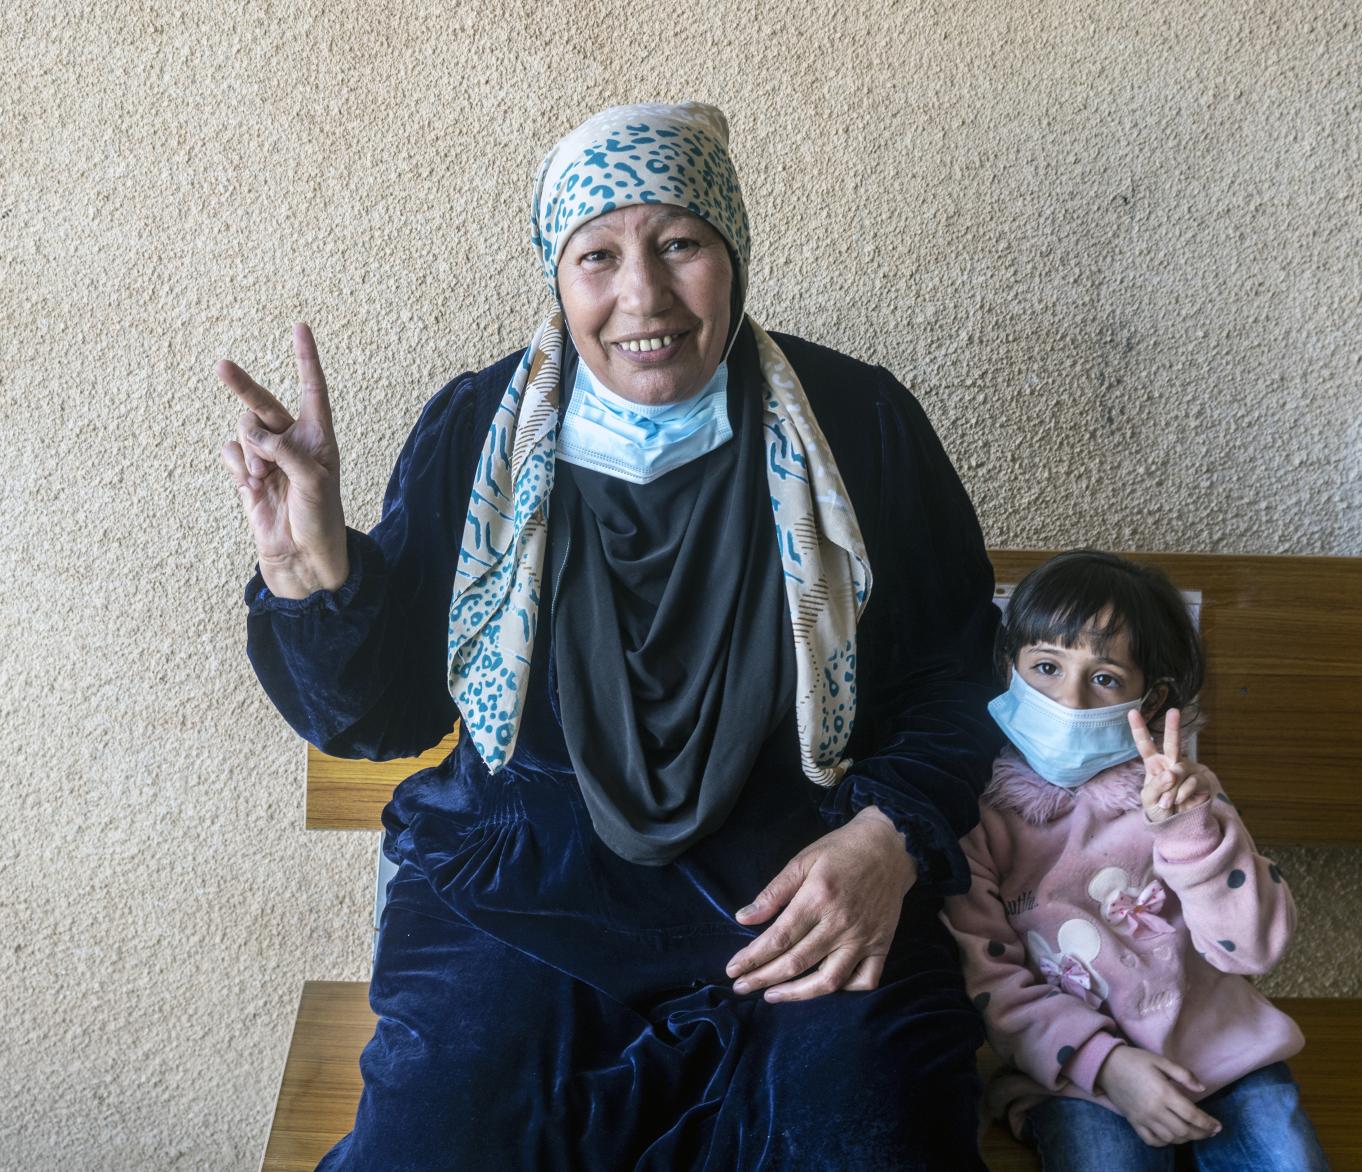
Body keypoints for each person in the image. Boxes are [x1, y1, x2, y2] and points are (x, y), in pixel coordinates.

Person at [219, 101, 1004, 1170]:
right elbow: (379, 714)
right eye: (598, 255)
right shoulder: (480, 428)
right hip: (521, 887)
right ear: (558, 273)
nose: (644, 295)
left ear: (732, 252)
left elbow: (956, 673)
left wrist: (888, 837)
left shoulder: (854, 419)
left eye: (679, 242)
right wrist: (308, 567)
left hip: (799, 888)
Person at [940, 549, 1329, 1171]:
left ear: (1149, 702)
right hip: (1079, 1078)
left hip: (1227, 1055)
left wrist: (1186, 829)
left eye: (1104, 678)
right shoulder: (973, 814)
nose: (1068, 699)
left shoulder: (1182, 795)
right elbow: (992, 985)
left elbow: (1252, 950)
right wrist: (1109, 1066)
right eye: (1045, 666)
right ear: (1007, 669)